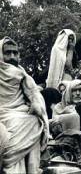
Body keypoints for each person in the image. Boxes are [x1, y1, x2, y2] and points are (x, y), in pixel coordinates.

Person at [0, 37, 49, 173]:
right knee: (30, 122)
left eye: (15, 53)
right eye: (7, 53)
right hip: (3, 116)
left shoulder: (23, 74)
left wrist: (35, 103)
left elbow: (34, 94)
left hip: (20, 115)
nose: (12, 57)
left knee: (35, 121)